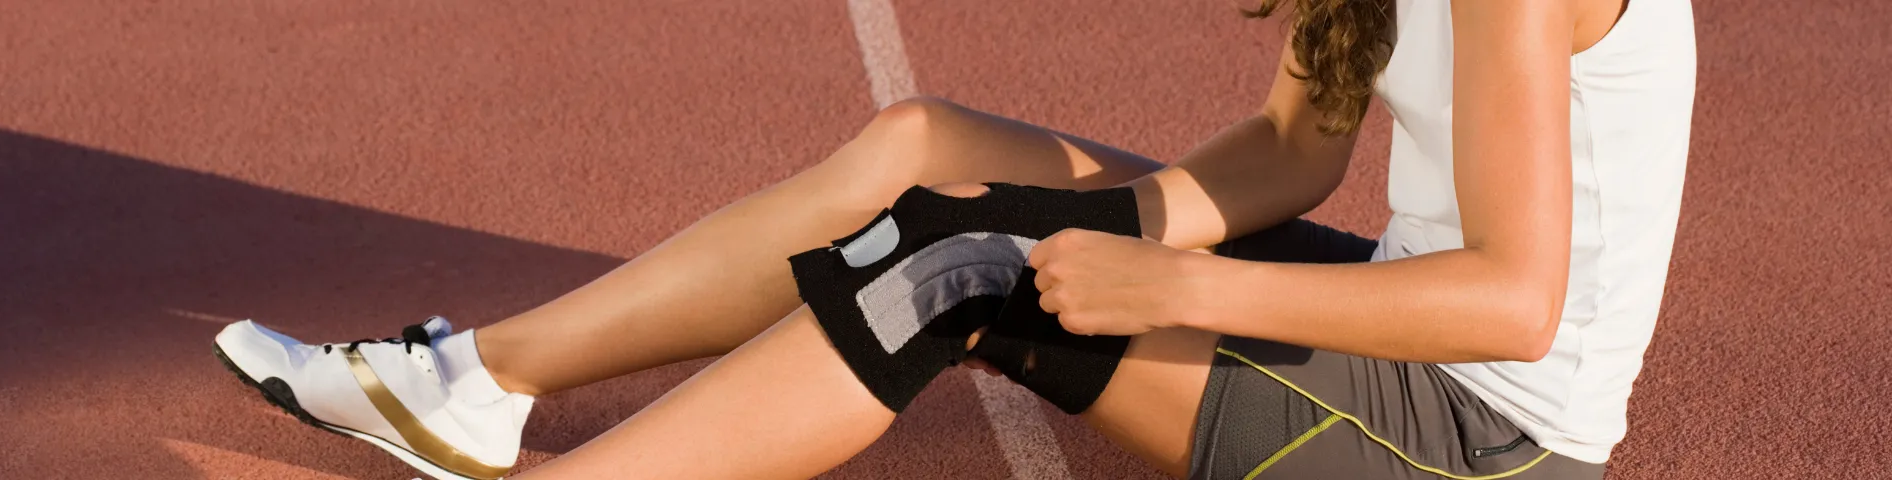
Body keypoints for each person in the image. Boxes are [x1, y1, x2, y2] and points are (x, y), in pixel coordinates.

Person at [210, 0, 1696, 478]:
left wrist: (1167, 281)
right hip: (1400, 306)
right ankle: (476, 383)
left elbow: (1512, 301)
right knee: (928, 155)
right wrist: (1100, 226)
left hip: (1491, 430)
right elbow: (1298, 146)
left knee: (959, 274)